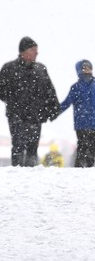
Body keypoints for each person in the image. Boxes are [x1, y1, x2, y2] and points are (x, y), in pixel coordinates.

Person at [0, 37, 61, 167]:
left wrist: (54, 109)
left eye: (36, 50)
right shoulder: (9, 68)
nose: (36, 52)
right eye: (33, 49)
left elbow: (49, 91)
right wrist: (14, 102)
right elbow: (1, 90)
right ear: (23, 51)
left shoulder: (41, 69)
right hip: (16, 115)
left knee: (32, 148)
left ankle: (31, 174)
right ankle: (17, 173)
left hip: (35, 116)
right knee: (18, 146)